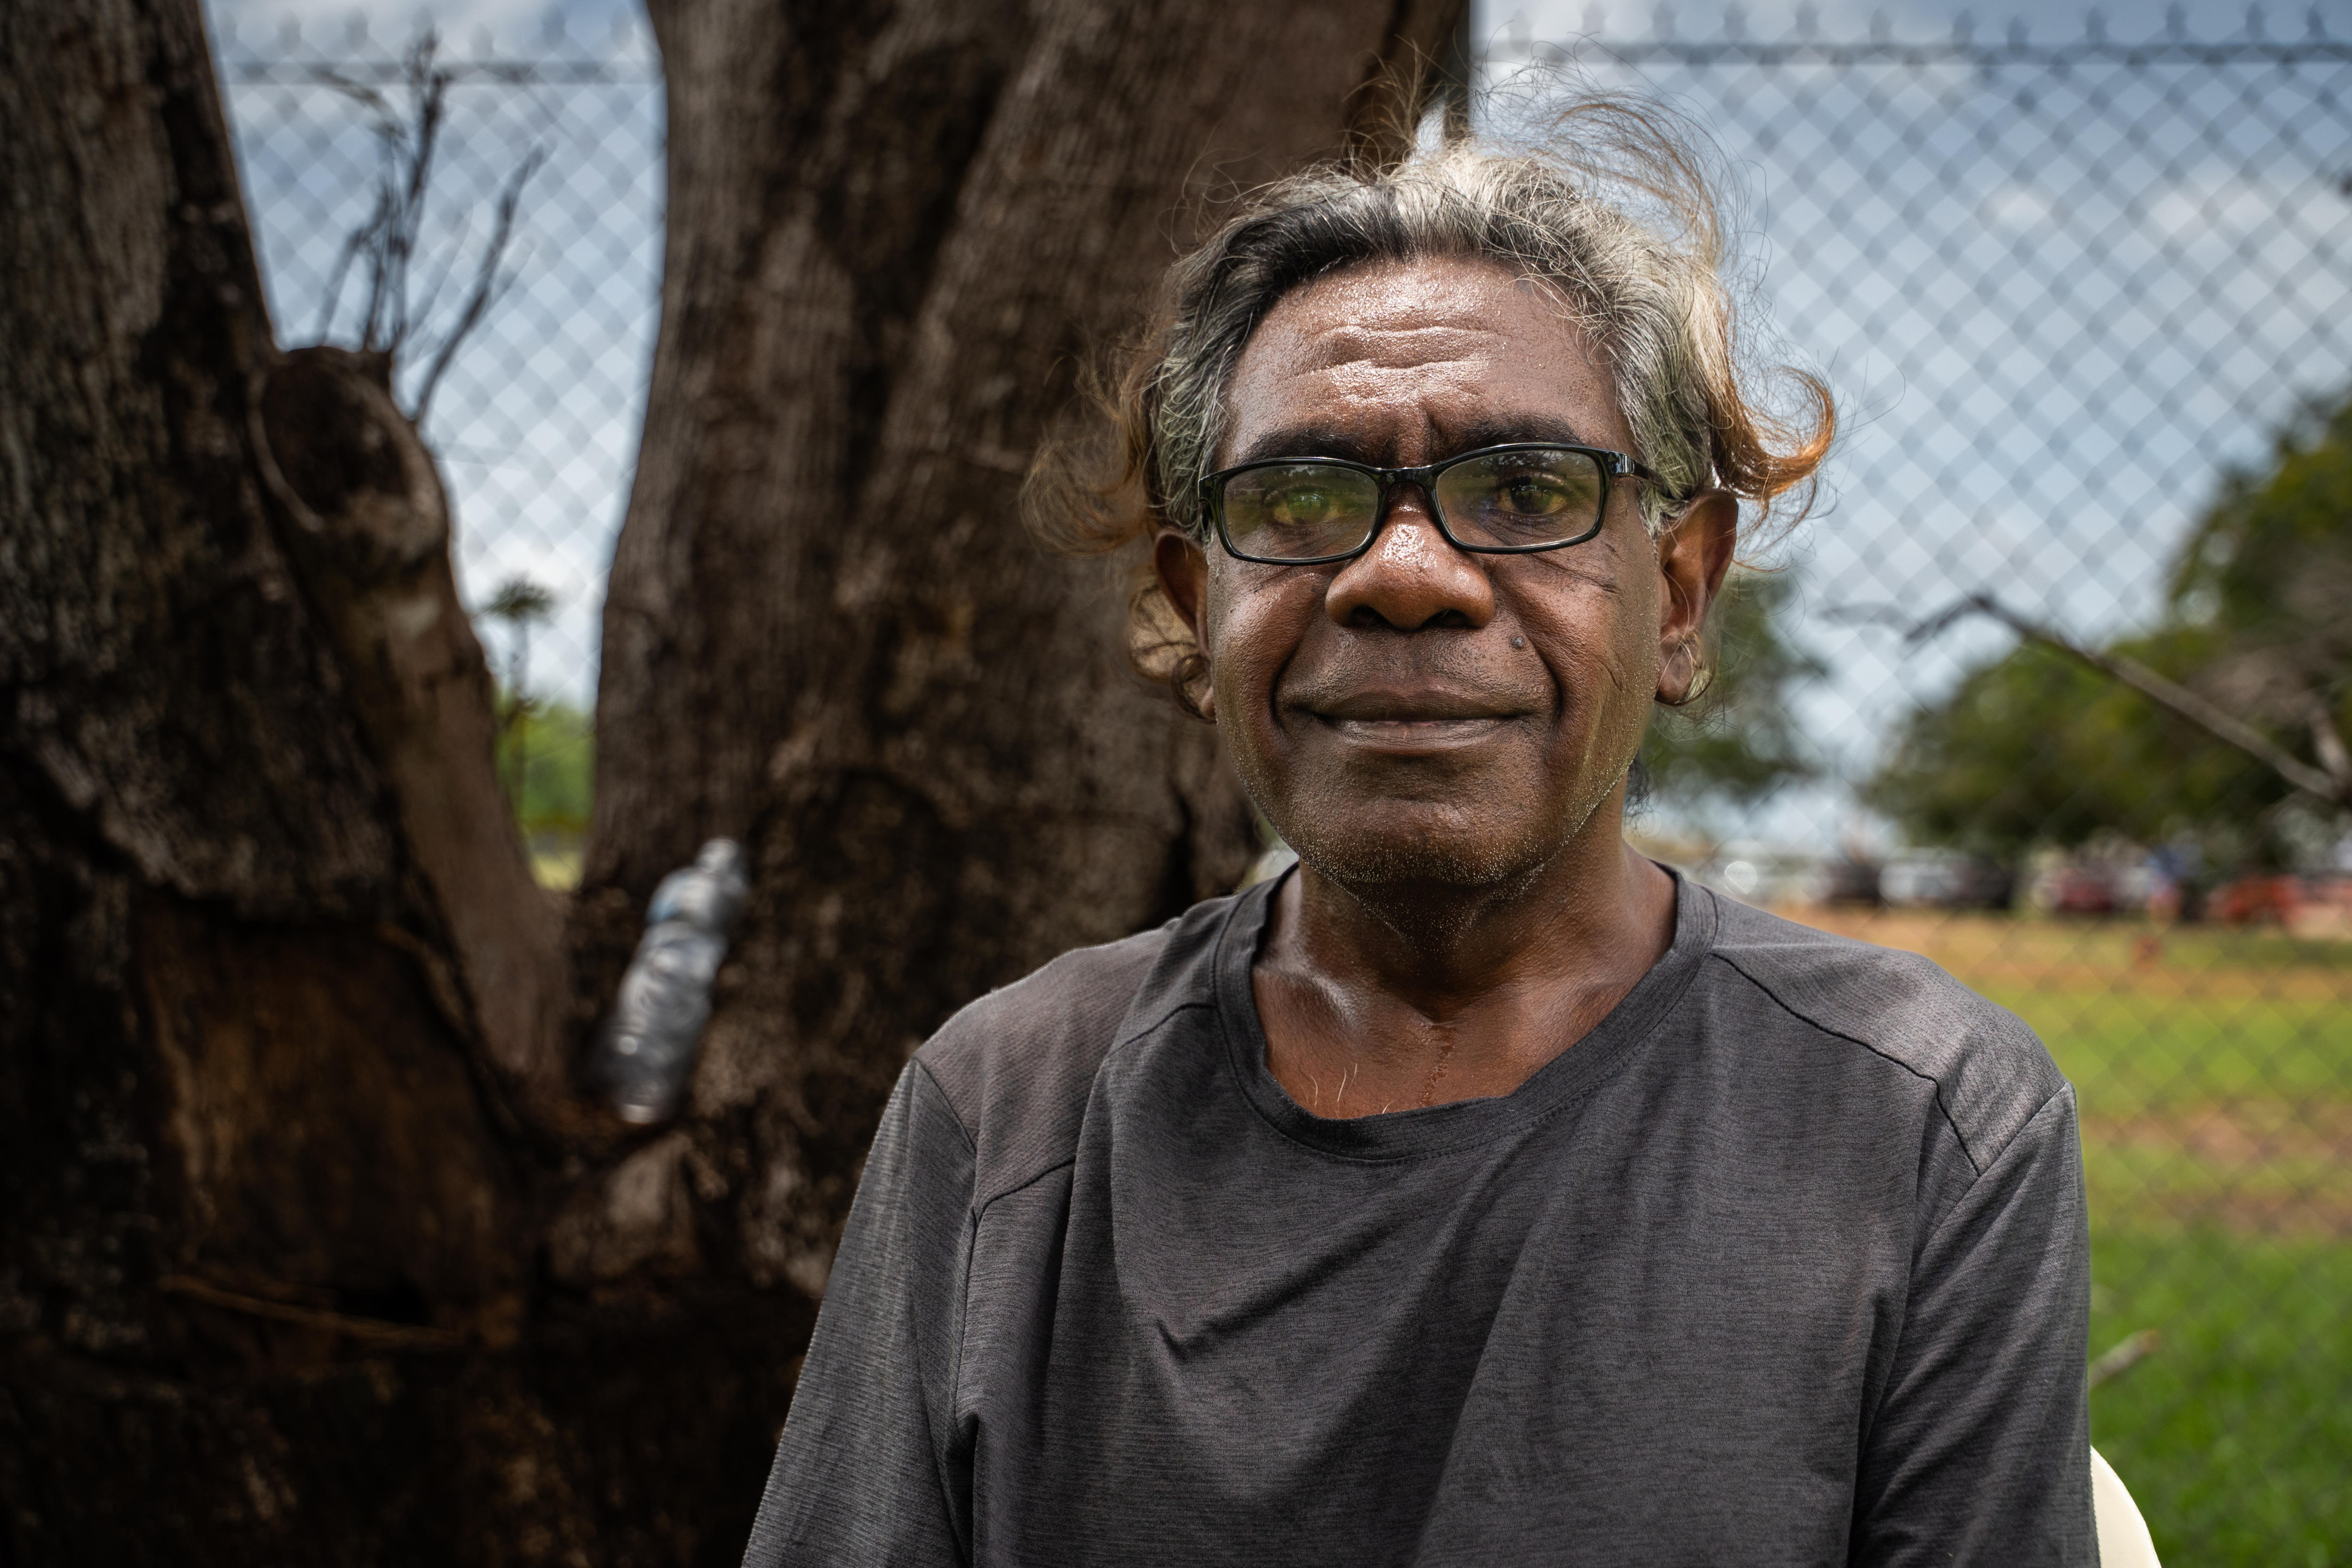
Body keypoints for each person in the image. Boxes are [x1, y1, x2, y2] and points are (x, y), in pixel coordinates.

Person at [743, 100, 2092, 1567]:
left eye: (1526, 491)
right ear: (1201, 606)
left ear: (1682, 596)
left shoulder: (1920, 1123)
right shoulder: (1004, 1110)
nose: (1405, 576)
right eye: (1303, 495)